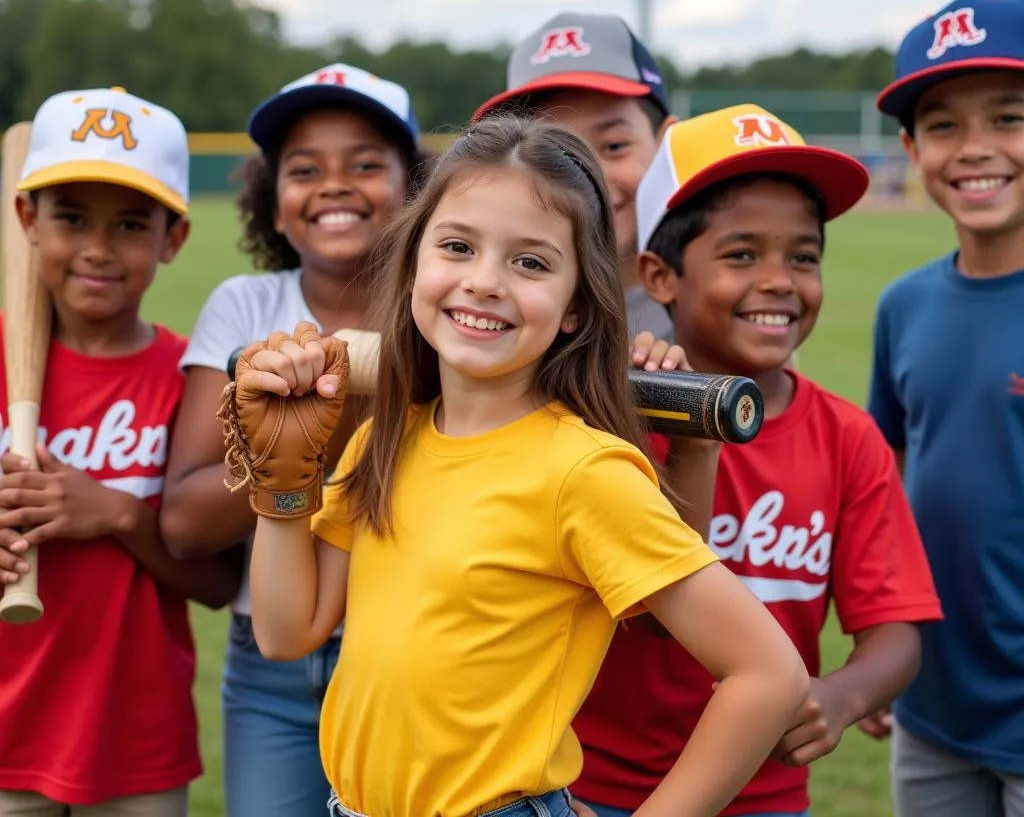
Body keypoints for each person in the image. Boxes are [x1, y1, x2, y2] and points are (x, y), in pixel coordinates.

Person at [233, 114, 811, 817]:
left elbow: (768, 673)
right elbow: (286, 632)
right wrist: (283, 480)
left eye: (530, 262)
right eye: (456, 246)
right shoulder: (386, 438)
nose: (483, 281)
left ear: (574, 306)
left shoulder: (584, 471)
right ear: (415, 261)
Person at [570, 104, 943, 817]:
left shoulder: (846, 436)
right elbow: (645, 616)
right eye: (742, 254)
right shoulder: (607, 419)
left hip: (764, 793)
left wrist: (841, 695)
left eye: (802, 256)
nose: (779, 280)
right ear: (661, 274)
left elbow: (895, 627)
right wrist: (690, 440)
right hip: (597, 787)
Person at [158, 63, 431, 817]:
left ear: (418, 192)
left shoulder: (450, 316)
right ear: (273, 207)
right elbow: (183, 522)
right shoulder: (246, 306)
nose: (334, 185)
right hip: (270, 667)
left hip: (415, 653)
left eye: (367, 165)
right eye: (303, 169)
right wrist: (309, 430)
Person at [0, 87, 239, 816]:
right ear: (27, 220)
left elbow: (218, 583)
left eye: (130, 223)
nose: (99, 249)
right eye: (72, 217)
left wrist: (116, 514)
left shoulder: (188, 380)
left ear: (172, 239)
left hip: (136, 736)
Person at [865, 0, 1024, 816]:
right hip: (933, 709)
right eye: (943, 126)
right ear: (910, 149)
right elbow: (890, 477)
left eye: (1009, 117)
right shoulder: (904, 306)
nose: (977, 150)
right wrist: (889, 648)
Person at [472, 10, 678, 340]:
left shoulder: (708, 307)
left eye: (614, 145)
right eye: (553, 151)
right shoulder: (482, 305)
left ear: (667, 143)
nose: (588, 177)